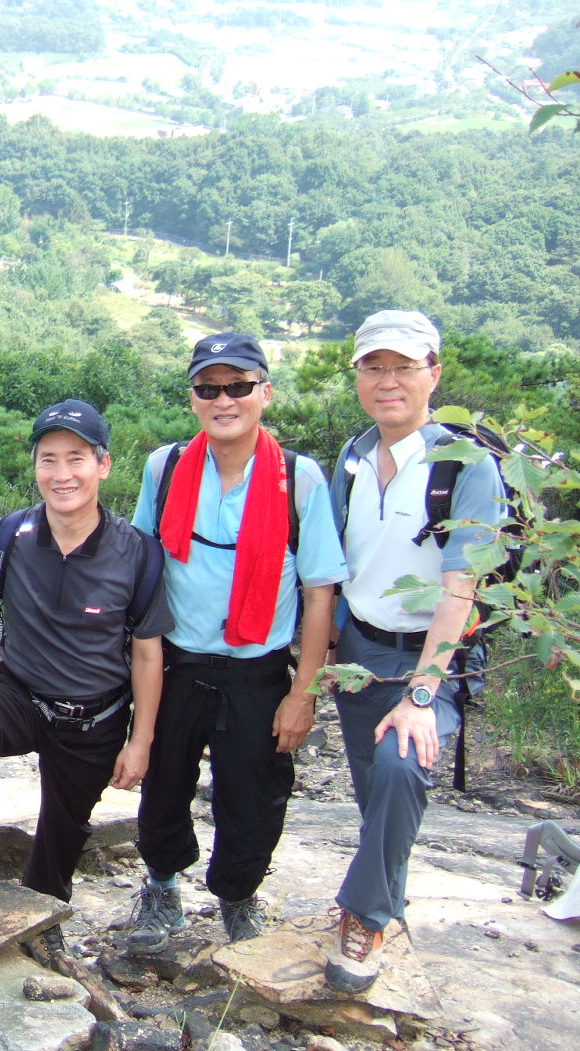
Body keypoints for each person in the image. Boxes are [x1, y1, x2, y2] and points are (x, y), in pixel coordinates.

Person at [0, 400, 174, 962]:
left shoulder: (136, 553)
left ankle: (43, 913)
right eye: (48, 459)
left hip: (95, 715)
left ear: (103, 465)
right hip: (20, 695)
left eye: (76, 458)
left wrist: (140, 741)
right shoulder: (8, 537)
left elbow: (147, 653)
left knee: (64, 825)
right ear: (35, 466)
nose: (62, 474)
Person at [126, 334, 347, 952]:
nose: (224, 400)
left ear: (264, 393)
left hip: (258, 671)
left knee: (255, 795)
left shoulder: (299, 478)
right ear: (193, 398)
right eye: (209, 388)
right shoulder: (166, 467)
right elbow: (141, 564)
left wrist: (303, 694)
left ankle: (238, 894)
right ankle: (161, 884)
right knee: (163, 786)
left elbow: (320, 593)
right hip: (175, 664)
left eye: (239, 386)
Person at [324, 310, 503, 993]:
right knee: (377, 796)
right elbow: (335, 569)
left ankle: (364, 917)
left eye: (404, 367)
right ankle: (387, 907)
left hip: (433, 656)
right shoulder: (352, 458)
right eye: (374, 367)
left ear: (434, 373)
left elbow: (462, 586)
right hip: (360, 650)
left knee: (402, 766)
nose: (388, 381)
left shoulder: (465, 464)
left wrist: (423, 694)